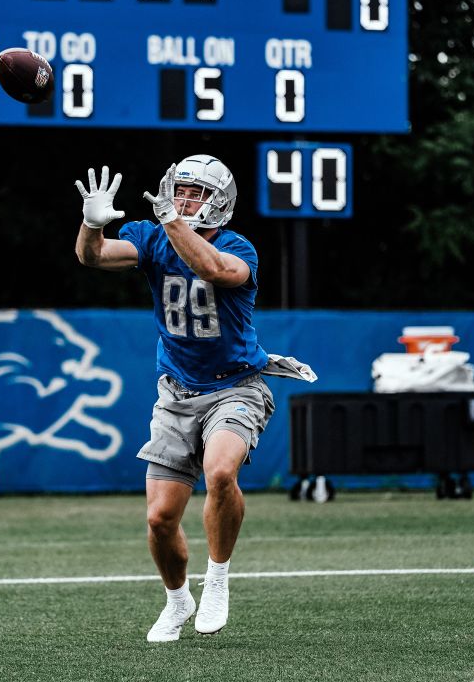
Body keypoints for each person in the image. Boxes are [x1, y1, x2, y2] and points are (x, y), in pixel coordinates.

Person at [73, 155, 314, 642]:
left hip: (236, 385)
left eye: (196, 194)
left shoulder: (238, 246)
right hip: (177, 390)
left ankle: (218, 579)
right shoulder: (152, 234)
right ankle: (177, 599)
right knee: (160, 518)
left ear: (220, 202)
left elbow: (209, 267)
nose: (184, 201)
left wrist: (171, 220)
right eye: (179, 190)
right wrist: (90, 225)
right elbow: (93, 257)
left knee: (221, 470)